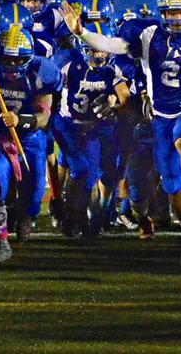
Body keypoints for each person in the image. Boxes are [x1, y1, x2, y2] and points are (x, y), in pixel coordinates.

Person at [62, 0, 181, 266]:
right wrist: (83, 33)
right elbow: (116, 46)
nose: (176, 19)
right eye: (171, 13)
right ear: (162, 13)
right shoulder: (148, 34)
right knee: (173, 184)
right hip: (161, 116)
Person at [0, 26, 61, 263]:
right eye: (7, 59)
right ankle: (0, 239)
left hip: (30, 140)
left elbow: (44, 118)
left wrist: (20, 120)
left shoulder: (41, 72)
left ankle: (24, 217)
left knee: (34, 195)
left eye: (18, 59)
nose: (12, 64)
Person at [51, 22, 130, 237]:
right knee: (81, 167)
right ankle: (70, 216)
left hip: (93, 127)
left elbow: (125, 96)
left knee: (89, 172)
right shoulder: (67, 62)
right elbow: (48, 88)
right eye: (94, 48)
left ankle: (77, 216)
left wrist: (114, 103)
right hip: (67, 125)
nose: (99, 54)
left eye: (103, 48)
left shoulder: (112, 68)